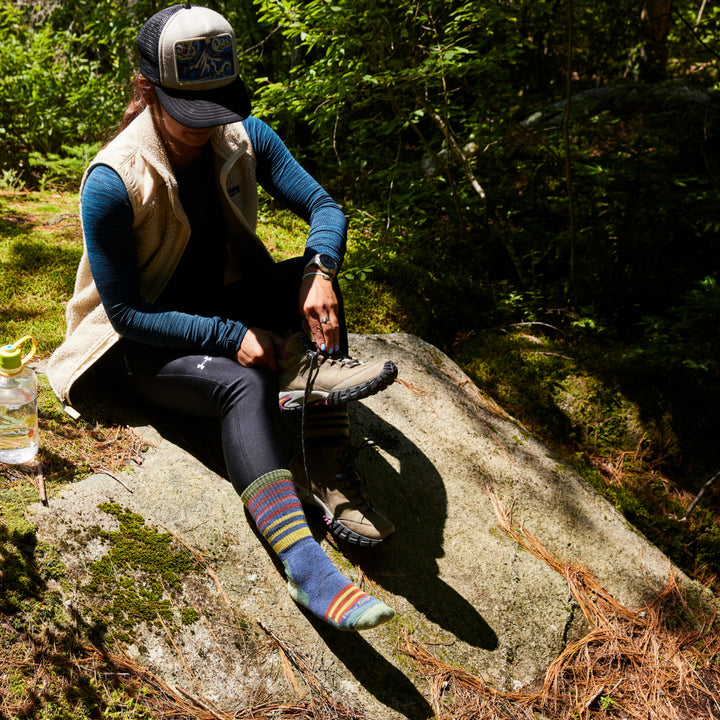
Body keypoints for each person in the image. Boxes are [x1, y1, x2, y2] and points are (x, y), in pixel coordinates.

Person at [47, 3, 399, 632]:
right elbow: (126, 312)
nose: (205, 126)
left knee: (306, 282)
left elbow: (324, 206)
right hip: (137, 345)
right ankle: (305, 565)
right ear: (147, 89)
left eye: (216, 108)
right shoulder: (114, 178)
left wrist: (321, 272)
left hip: (215, 304)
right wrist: (232, 337)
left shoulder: (244, 137)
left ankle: (325, 462)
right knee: (246, 382)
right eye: (189, 114)